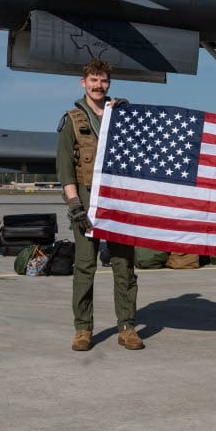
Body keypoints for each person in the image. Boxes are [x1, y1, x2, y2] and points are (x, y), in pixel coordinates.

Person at [57, 58, 141, 351]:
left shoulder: (120, 115)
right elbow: (65, 168)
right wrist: (75, 205)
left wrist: (130, 114)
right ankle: (83, 329)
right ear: (84, 83)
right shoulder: (72, 120)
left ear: (109, 83)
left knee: (124, 266)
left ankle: (127, 327)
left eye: (103, 80)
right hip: (86, 199)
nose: (98, 85)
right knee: (84, 266)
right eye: (93, 80)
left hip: (118, 200)